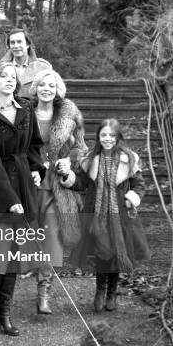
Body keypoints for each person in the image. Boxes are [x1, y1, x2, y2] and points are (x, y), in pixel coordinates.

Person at [0, 61, 46, 336]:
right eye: (3, 76)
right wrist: (8, 199)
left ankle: (5, 313)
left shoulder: (26, 109)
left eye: (12, 77)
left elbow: (34, 145)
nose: (9, 80)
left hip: (24, 185)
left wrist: (38, 170)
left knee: (14, 253)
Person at [58, 118, 151, 312]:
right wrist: (66, 175)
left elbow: (139, 185)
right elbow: (81, 184)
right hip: (96, 216)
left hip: (121, 218)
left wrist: (131, 198)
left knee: (117, 254)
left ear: (118, 137)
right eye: (103, 135)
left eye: (111, 135)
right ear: (98, 137)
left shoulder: (129, 159)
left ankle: (112, 294)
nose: (107, 139)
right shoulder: (90, 159)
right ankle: (100, 291)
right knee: (103, 254)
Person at [29, 68, 88, 314]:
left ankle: (44, 292)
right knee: (26, 238)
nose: (46, 89)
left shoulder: (70, 115)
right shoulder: (24, 112)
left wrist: (69, 164)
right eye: (42, 84)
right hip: (29, 183)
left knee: (52, 238)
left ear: (57, 90)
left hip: (56, 187)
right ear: (36, 88)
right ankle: (3, 296)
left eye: (51, 86)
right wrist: (28, 167)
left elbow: (82, 149)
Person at [0, 28, 52, 97]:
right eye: (12, 43)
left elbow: (51, 96)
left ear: (27, 44)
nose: (16, 46)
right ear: (9, 46)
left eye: (19, 42)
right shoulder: (1, 68)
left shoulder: (43, 68)